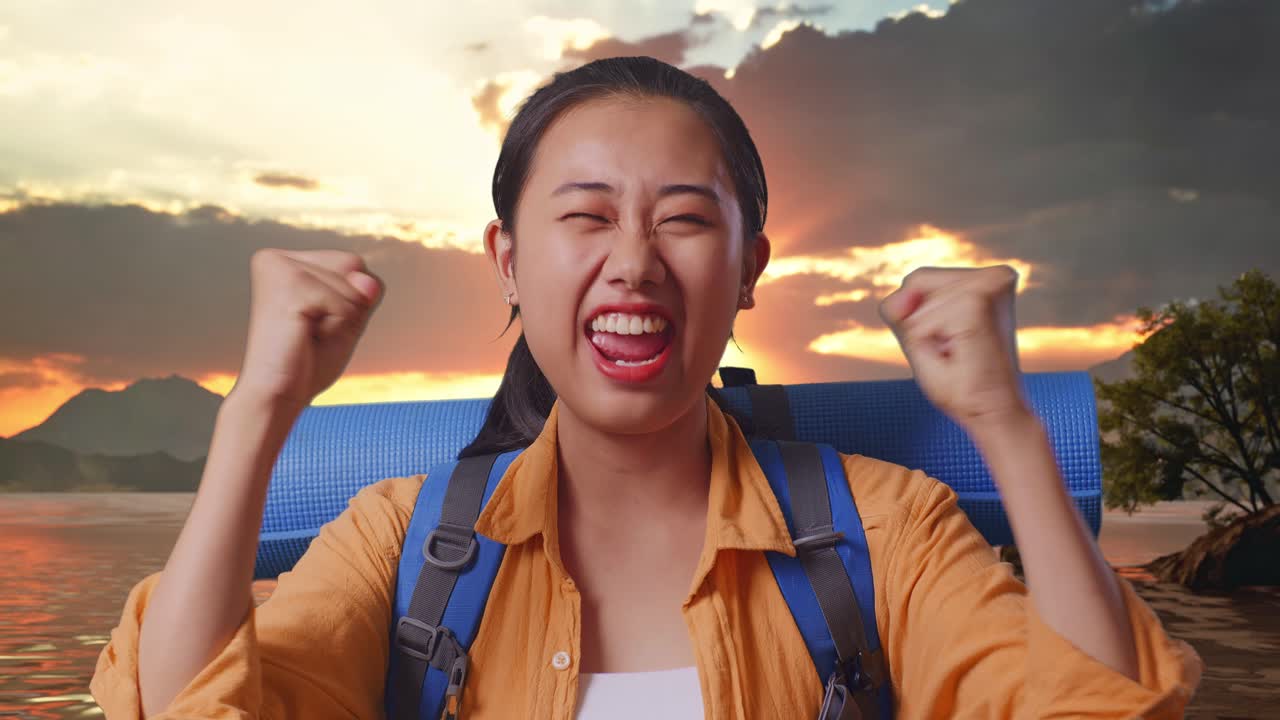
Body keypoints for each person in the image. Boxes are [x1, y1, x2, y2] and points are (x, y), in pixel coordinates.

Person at [90, 55, 1203, 719]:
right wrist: (258, 412)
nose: (633, 262)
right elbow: (193, 709)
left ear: (750, 268)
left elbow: (1097, 707)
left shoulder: (885, 532)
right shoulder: (400, 548)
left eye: (682, 219)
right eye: (584, 215)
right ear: (507, 261)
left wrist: (1004, 424)